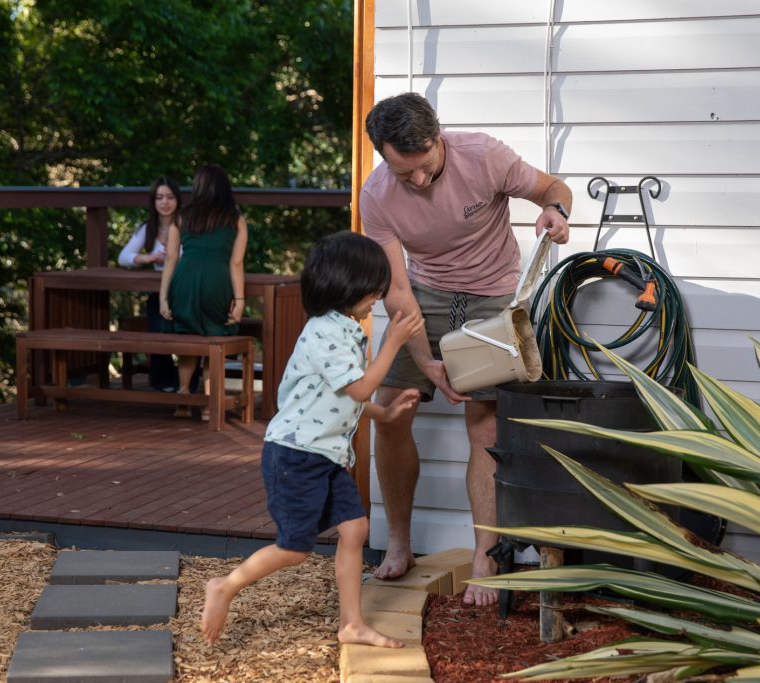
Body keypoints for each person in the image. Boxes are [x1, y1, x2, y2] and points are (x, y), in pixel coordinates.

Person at [359, 92, 573, 607]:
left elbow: (552, 187)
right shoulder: (376, 194)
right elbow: (398, 292)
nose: (417, 180)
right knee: (389, 410)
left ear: (439, 137)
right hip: (422, 294)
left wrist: (555, 211)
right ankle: (400, 544)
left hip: (492, 296)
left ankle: (486, 555)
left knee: (485, 423)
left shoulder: (484, 155)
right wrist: (428, 364)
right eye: (401, 170)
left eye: (425, 166)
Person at [201, 231, 425, 647]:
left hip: (325, 456)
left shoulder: (345, 330)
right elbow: (359, 389)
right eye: (375, 284)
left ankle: (351, 624)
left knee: (355, 529)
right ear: (348, 284)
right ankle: (225, 586)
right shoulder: (325, 332)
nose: (379, 292)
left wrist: (386, 413)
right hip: (296, 457)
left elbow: (346, 395)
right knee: (295, 549)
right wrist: (394, 343)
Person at [160, 165, 248, 400]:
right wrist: (239, 300)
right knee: (214, 342)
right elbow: (236, 263)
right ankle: (211, 404)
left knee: (188, 342)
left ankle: (183, 394)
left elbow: (170, 258)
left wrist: (163, 297)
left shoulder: (181, 217)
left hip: (184, 282)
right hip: (217, 283)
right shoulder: (235, 219)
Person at [118, 175, 182, 391]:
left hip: (182, 289)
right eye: (160, 198)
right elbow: (123, 257)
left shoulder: (186, 225)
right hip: (159, 291)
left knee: (183, 332)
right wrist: (146, 258)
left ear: (178, 200)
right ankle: (163, 380)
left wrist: (175, 259)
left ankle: (184, 380)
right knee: (156, 327)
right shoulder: (147, 228)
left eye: (170, 197)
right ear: (153, 202)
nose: (165, 203)